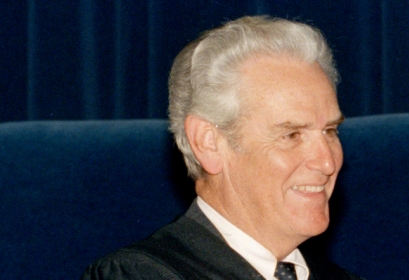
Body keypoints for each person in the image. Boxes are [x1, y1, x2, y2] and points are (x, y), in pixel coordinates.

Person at [81, 16, 363, 280]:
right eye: (291, 135)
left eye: (330, 131)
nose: (327, 162)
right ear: (209, 143)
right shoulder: (136, 274)